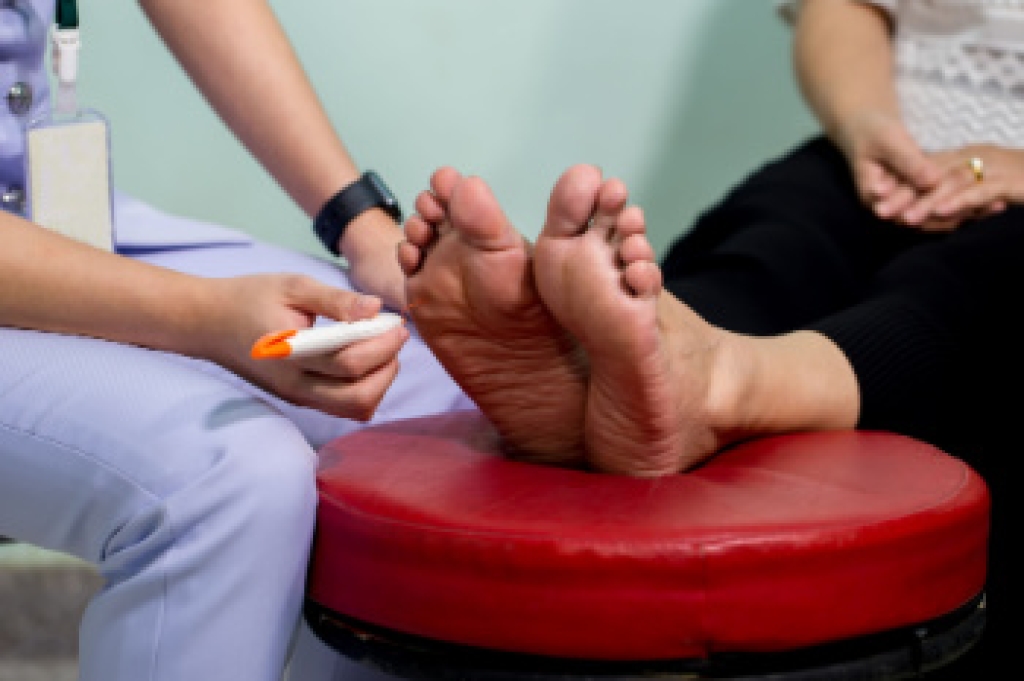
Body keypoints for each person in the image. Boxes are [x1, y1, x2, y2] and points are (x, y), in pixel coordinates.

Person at [397, 0, 1021, 676]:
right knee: (772, 245)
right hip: (892, 156)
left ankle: (717, 384)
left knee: (959, 288)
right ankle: (602, 373)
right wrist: (867, 125)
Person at [0, 1, 471, 680]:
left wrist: (363, 228)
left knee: (438, 389)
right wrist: (201, 316)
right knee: (230, 479)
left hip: (51, 215)